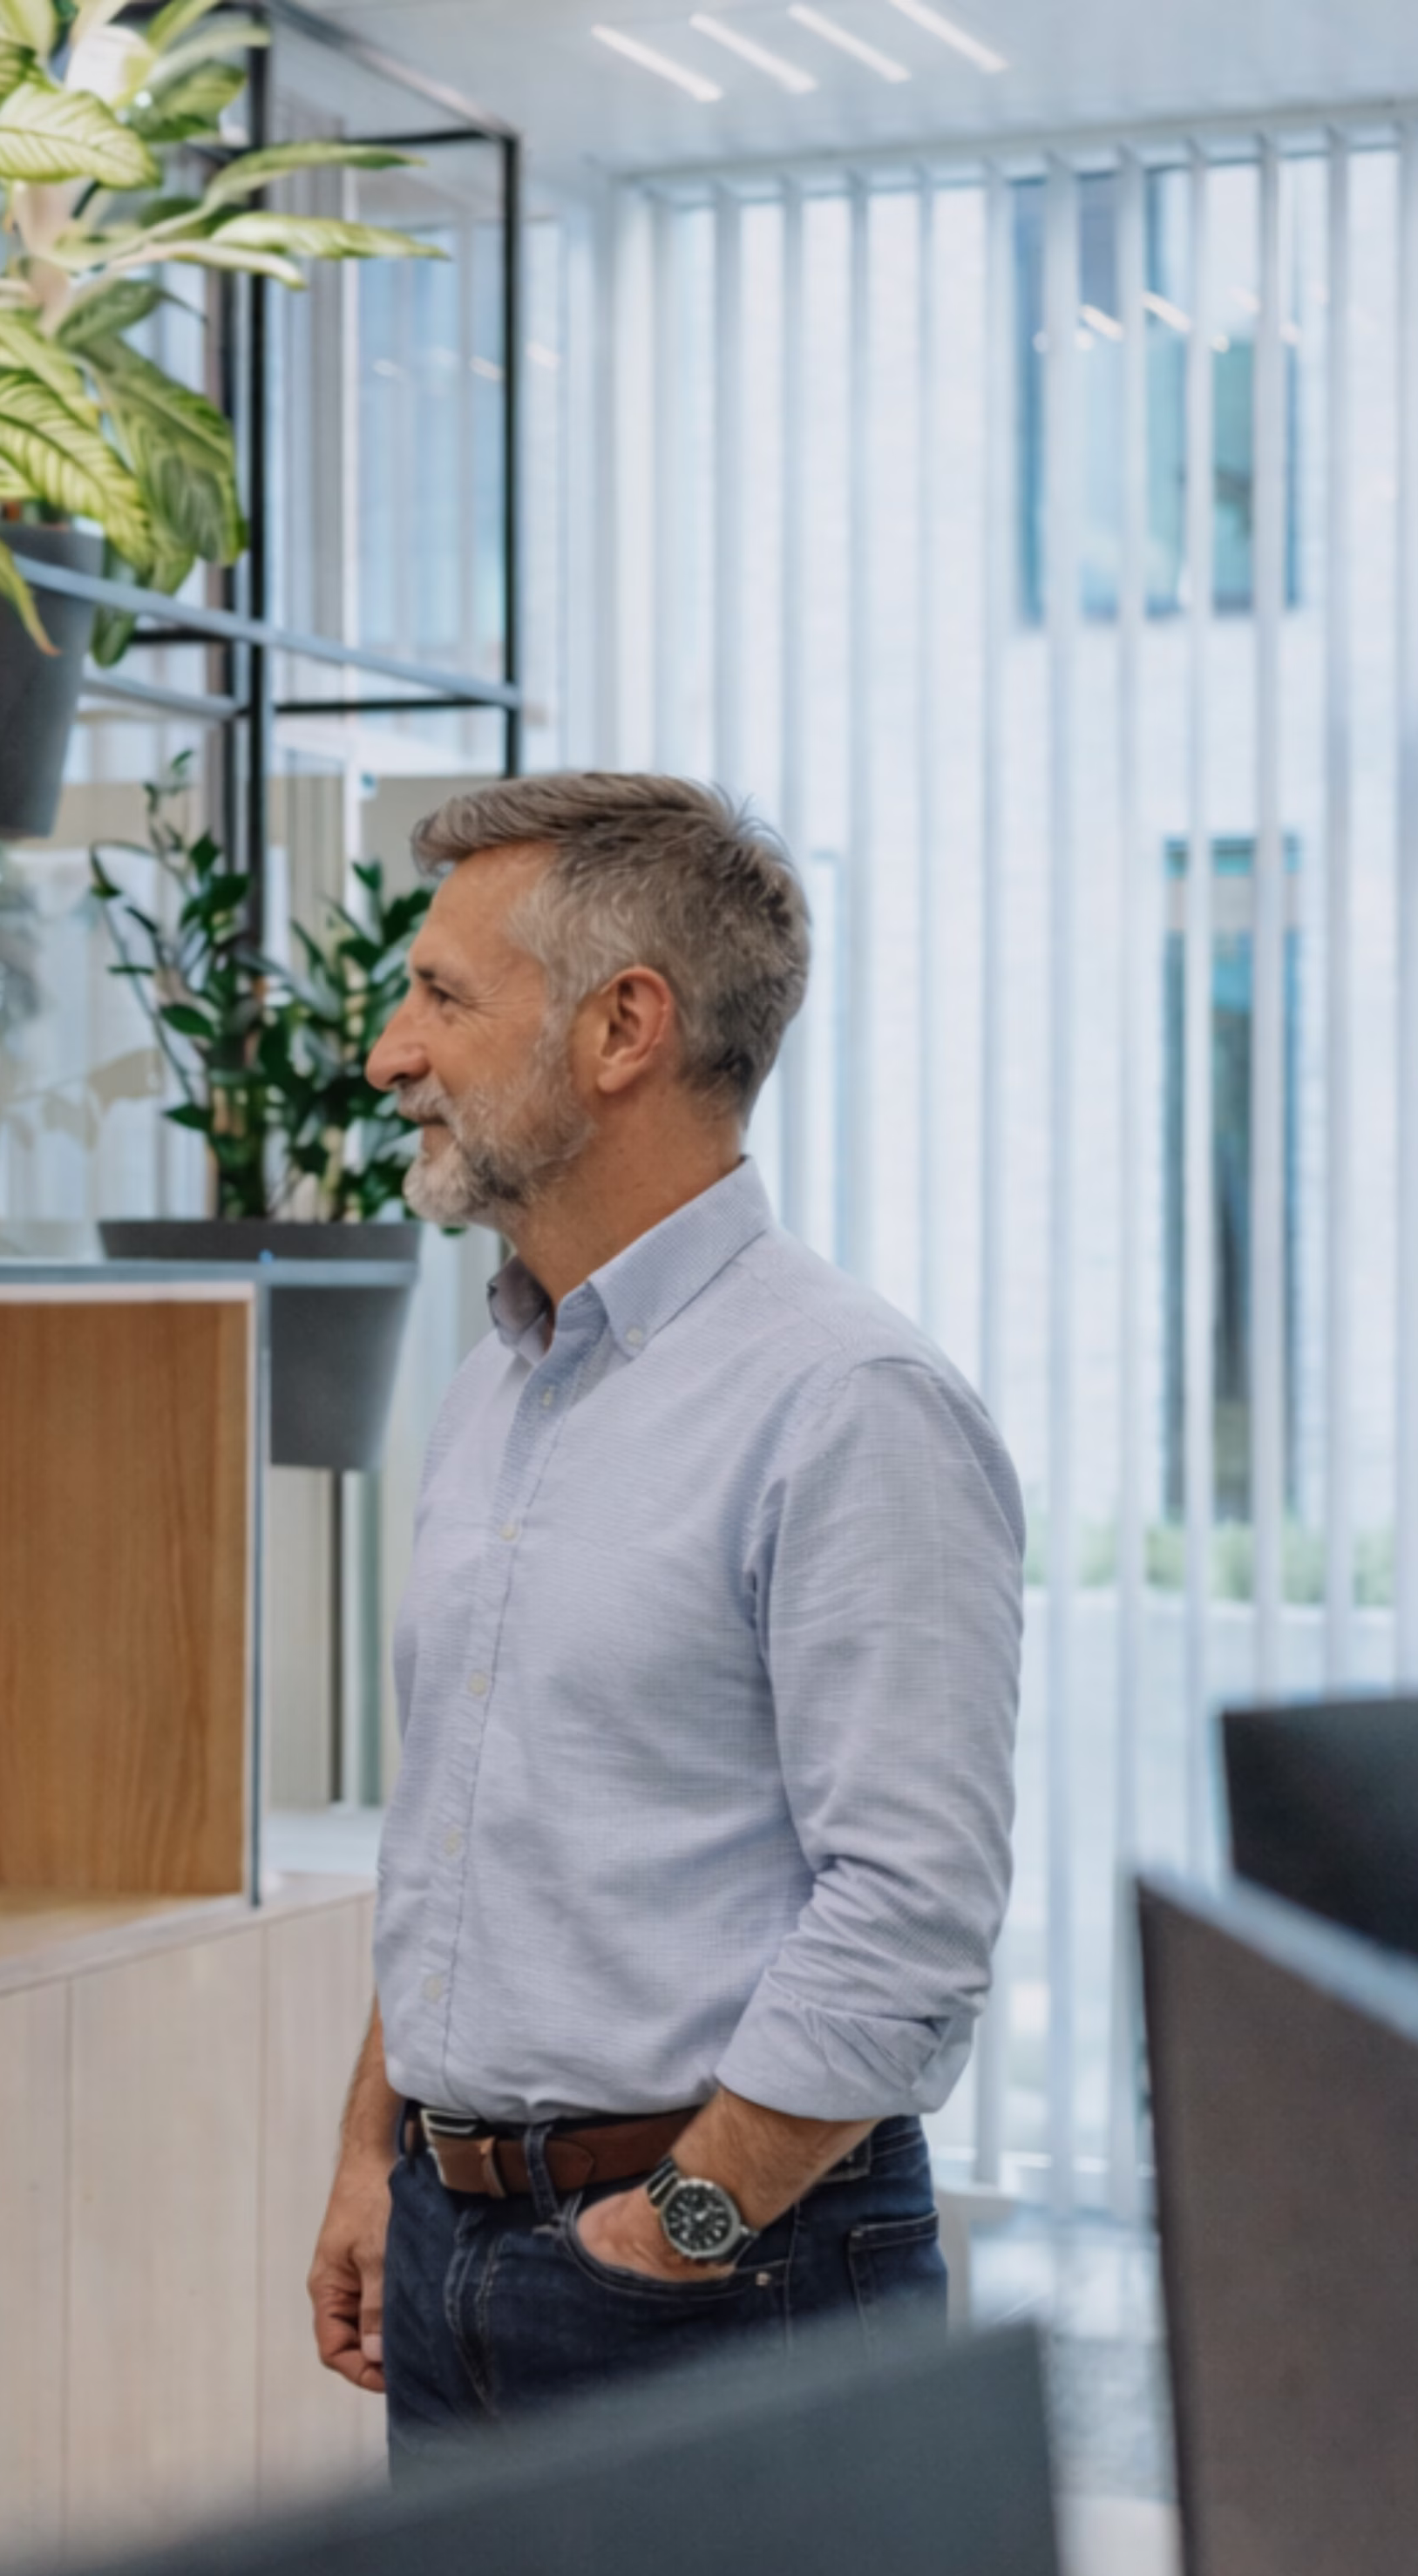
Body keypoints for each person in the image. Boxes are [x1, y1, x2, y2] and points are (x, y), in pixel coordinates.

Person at [301, 775, 1023, 2461]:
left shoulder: (852, 1400)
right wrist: (374, 2154)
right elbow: (463, 1832)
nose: (390, 1053)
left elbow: (912, 1918)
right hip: (454, 2242)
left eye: (441, 997)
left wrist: (670, 2239)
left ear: (624, 1028)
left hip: (727, 2276)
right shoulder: (502, 1381)